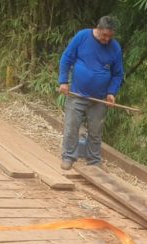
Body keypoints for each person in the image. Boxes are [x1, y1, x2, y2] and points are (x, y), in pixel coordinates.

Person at [57, 16, 124, 170]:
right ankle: (68, 157)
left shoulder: (115, 48)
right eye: (104, 35)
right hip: (77, 94)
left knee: (96, 131)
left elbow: (118, 74)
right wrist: (63, 81)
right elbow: (66, 58)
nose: (107, 39)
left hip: (99, 99)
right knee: (71, 127)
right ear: (98, 29)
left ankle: (93, 161)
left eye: (110, 36)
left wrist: (111, 93)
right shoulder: (82, 36)